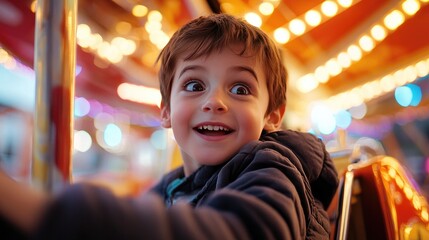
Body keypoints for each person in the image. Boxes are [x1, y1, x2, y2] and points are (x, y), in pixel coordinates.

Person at [0, 13, 338, 239]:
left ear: (272, 116)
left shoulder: (273, 170)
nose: (214, 102)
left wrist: (52, 214)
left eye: (240, 89)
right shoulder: (170, 187)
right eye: (194, 86)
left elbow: (238, 230)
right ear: (165, 111)